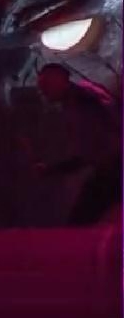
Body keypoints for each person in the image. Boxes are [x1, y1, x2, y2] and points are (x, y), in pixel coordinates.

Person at [29, 64, 122, 225]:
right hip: (111, 167)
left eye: (45, 85)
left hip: (113, 168)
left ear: (60, 80)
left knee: (79, 222)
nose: (43, 92)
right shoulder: (82, 98)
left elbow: (90, 151)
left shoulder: (82, 101)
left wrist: (53, 169)